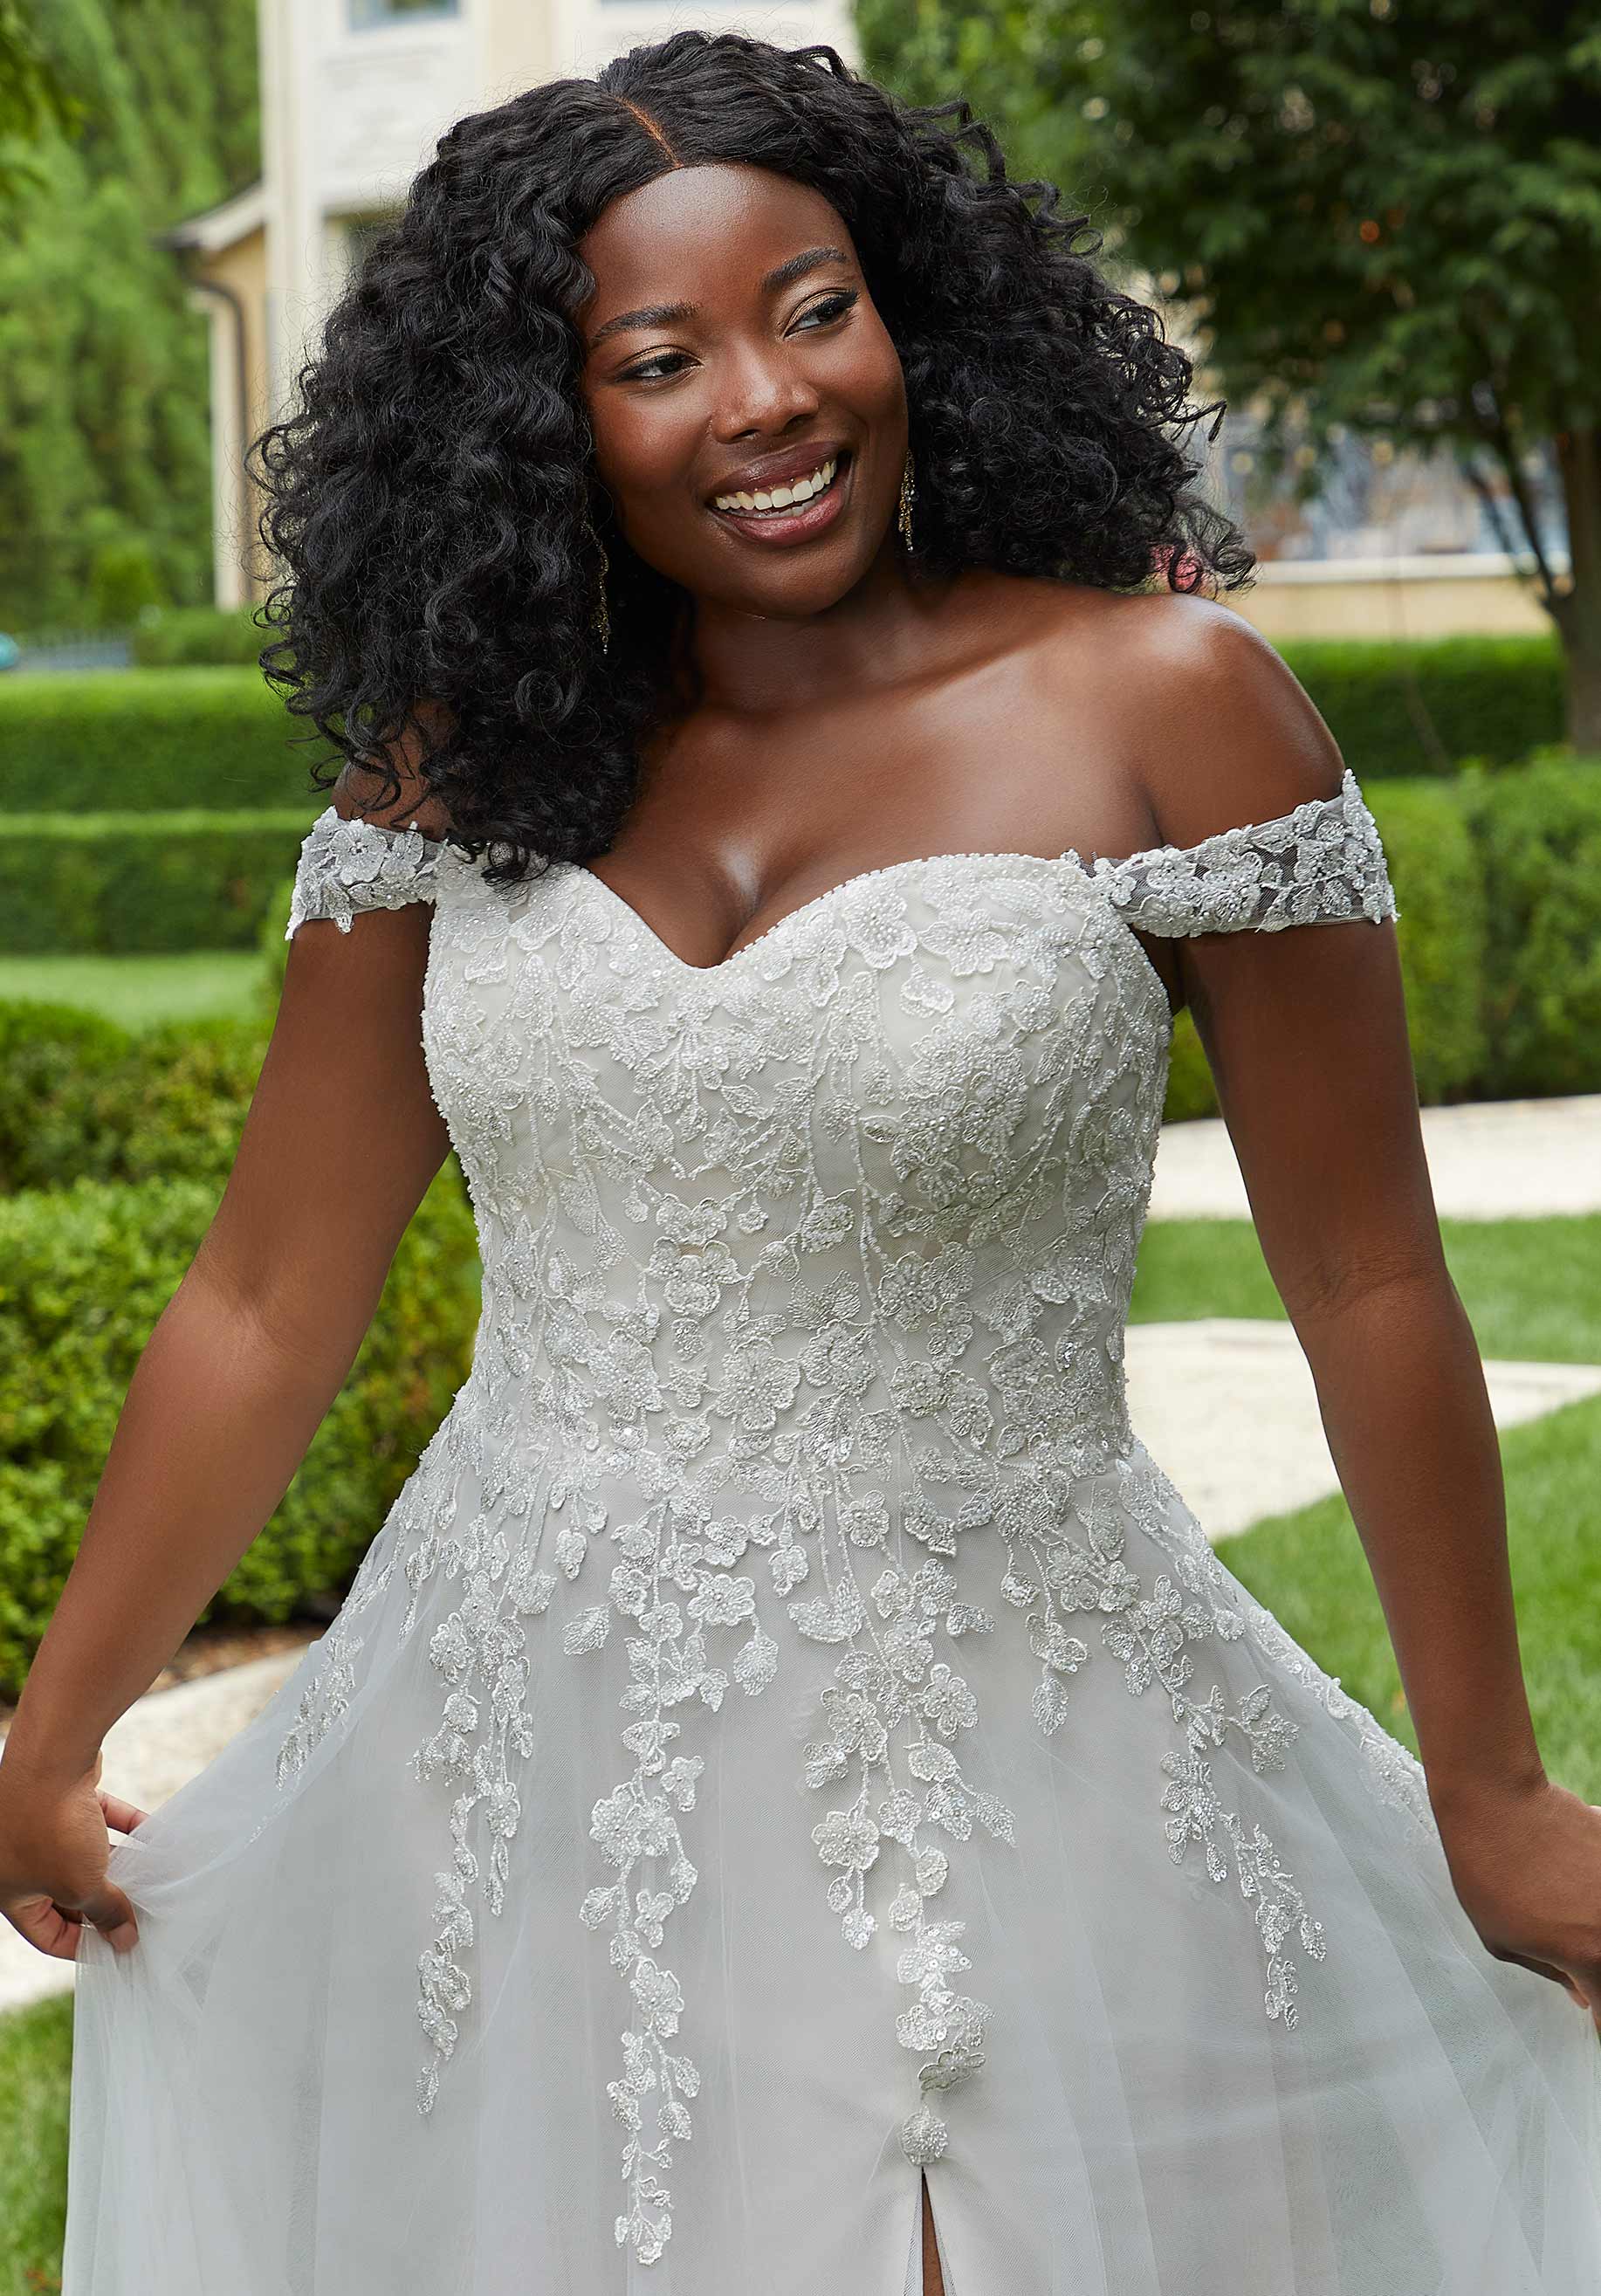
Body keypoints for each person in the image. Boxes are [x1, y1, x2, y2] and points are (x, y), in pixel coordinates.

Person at [2, 27, 1598, 2294]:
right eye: (660, 356)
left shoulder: (1167, 708)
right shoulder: (442, 786)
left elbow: (1365, 1288)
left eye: (812, 308)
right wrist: (52, 1729)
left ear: (915, 315)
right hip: (524, 1775)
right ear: (545, 423)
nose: (762, 397)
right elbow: (268, 1298)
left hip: (1019, 1743)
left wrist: (1488, 1788)